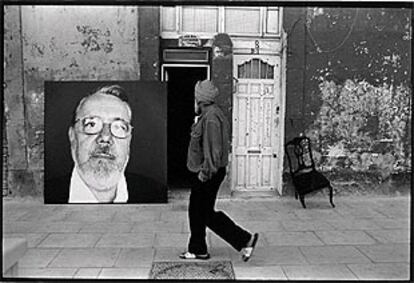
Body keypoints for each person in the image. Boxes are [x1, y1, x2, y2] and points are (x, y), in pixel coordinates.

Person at [44, 85, 166, 204]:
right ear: (72, 136)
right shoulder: (46, 195)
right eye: (91, 124)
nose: (105, 137)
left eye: (119, 127)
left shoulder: (157, 194)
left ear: (128, 141)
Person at [179, 80, 258, 261]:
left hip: (208, 173)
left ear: (201, 100)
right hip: (209, 171)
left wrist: (204, 174)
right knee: (198, 211)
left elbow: (214, 150)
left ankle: (245, 239)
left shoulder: (212, 118)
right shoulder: (209, 114)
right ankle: (198, 248)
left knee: (203, 213)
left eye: (196, 97)